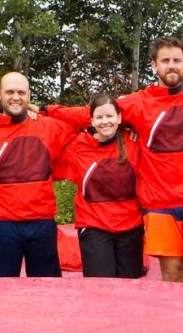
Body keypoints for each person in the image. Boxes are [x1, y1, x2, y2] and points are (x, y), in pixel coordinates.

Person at [41, 36, 183, 286]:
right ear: (154, 65)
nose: (171, 66)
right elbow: (94, 114)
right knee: (171, 274)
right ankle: (176, 323)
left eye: (177, 60)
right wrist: (45, 109)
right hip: (161, 204)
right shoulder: (139, 102)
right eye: (165, 61)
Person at [0, 72, 77, 278]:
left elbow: (91, 125)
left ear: (29, 95)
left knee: (47, 291)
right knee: (1, 291)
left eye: (21, 92)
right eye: (10, 92)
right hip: (3, 224)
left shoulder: (48, 126)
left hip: (42, 222)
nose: (15, 97)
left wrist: (129, 128)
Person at [53, 93, 144, 278]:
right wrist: (41, 109)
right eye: (99, 117)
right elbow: (55, 128)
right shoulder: (78, 146)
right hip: (94, 226)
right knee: (100, 290)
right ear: (91, 121)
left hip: (130, 227)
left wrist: (133, 126)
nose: (105, 122)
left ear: (119, 117)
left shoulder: (134, 141)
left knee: (131, 291)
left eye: (110, 116)